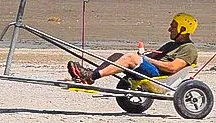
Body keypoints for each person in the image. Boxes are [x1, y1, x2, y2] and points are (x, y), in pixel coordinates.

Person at [67, 13, 199, 84]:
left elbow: (172, 68)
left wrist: (145, 59)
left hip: (160, 77)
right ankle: (90, 76)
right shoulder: (171, 45)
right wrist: (144, 55)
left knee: (131, 58)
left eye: (173, 26)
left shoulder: (189, 49)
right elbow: (153, 57)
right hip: (153, 69)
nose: (169, 29)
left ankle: (92, 76)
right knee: (117, 55)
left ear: (183, 29)